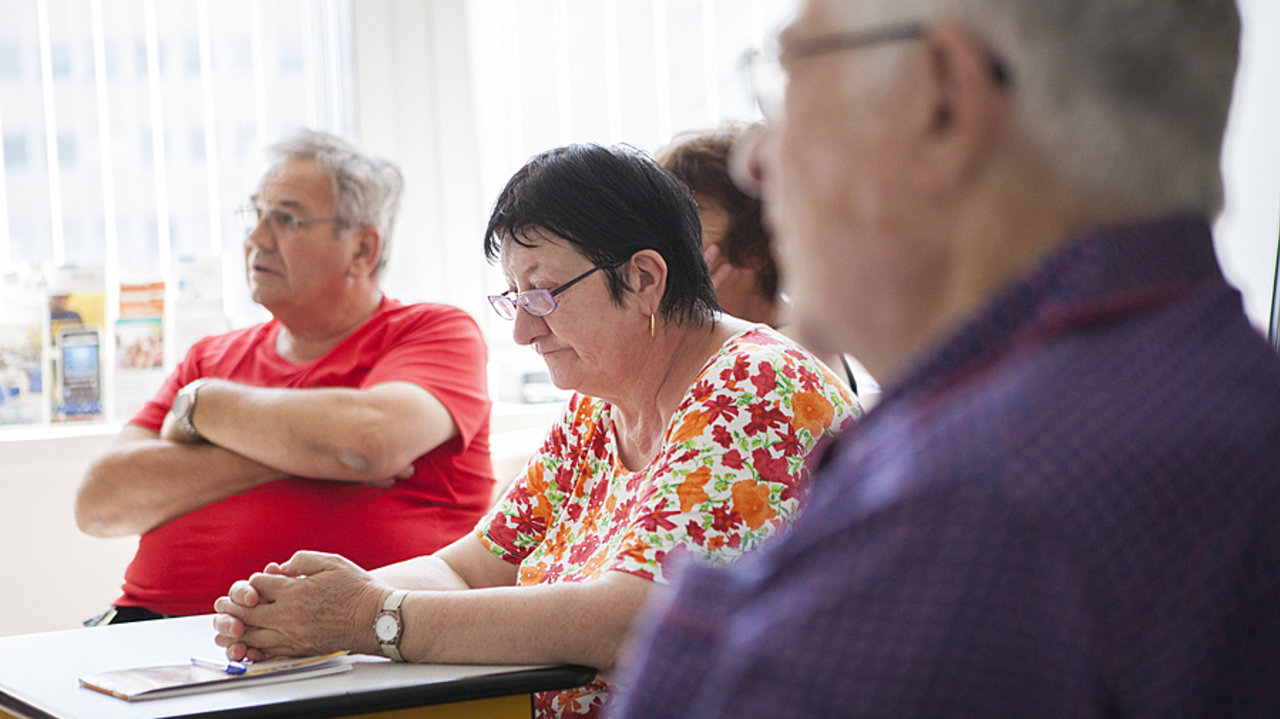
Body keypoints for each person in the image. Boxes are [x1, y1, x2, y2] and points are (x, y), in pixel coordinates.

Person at [611, 1, 1280, 717]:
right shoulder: (1228, 391)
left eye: (790, 75)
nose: (756, 158)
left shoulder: (967, 509)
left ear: (942, 105)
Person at [211, 144, 860, 718]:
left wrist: (370, 616)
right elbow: (468, 568)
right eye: (514, 298)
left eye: (542, 294)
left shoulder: (755, 389)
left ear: (643, 279)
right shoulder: (599, 404)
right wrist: (312, 605)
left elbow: (629, 618)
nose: (523, 331)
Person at [75, 129, 494, 622]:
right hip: (143, 630)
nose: (255, 239)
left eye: (287, 219)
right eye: (255, 216)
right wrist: (308, 452)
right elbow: (99, 501)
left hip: (340, 647)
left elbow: (367, 442)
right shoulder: (210, 357)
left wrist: (204, 408)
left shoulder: (434, 331)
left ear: (362, 249)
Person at [656, 123, 861, 395]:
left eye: (688, 218)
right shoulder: (709, 340)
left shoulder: (792, 352)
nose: (662, 239)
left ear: (755, 246)